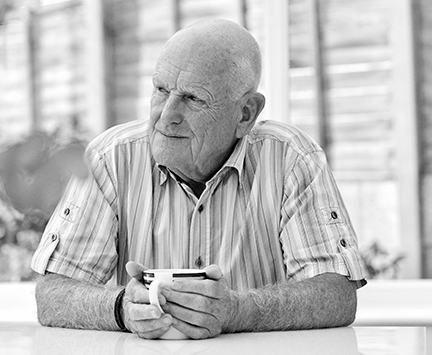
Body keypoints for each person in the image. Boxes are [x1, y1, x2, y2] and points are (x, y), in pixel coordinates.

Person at [30, 18, 367, 340]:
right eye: (161, 89)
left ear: (246, 113)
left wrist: (239, 311)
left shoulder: (292, 159)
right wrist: (120, 308)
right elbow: (52, 295)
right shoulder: (109, 159)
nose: (166, 115)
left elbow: (336, 294)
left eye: (193, 99)